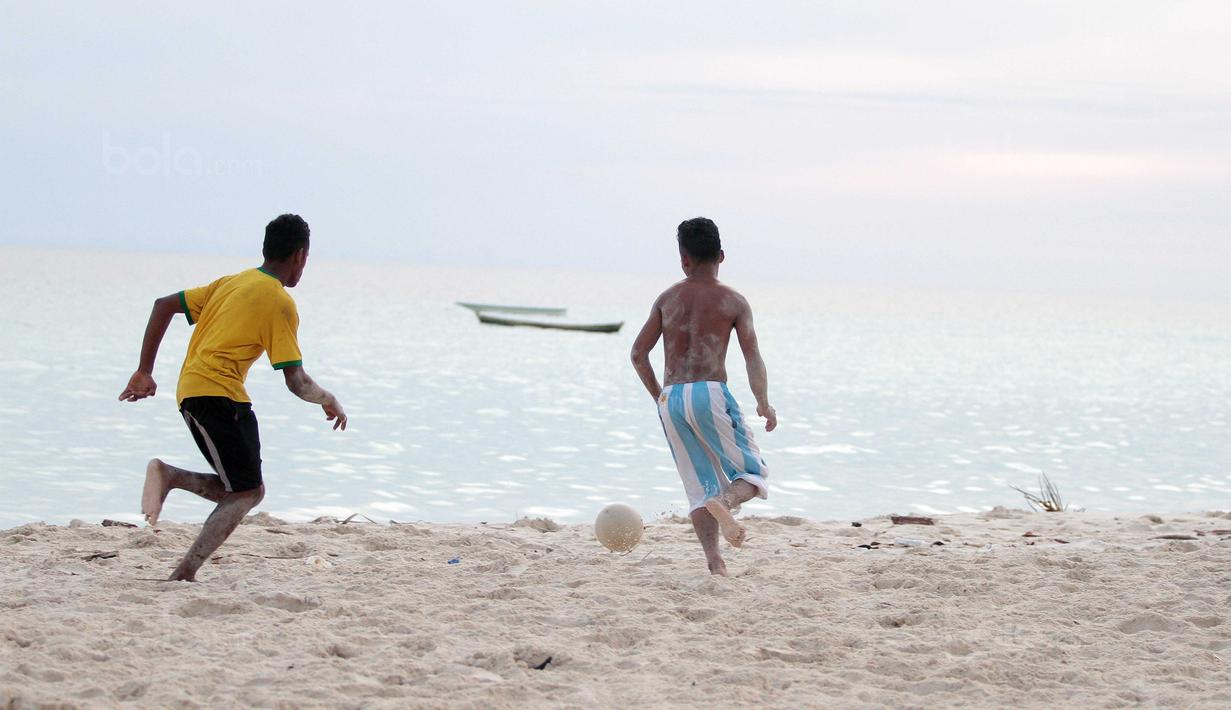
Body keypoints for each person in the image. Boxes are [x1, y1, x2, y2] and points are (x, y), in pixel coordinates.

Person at [118, 213, 347, 581]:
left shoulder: (231, 283)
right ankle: (184, 572)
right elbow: (296, 381)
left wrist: (144, 370)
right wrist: (327, 399)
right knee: (246, 492)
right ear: (300, 256)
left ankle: (171, 477)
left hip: (198, 392)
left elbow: (163, 305)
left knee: (246, 489)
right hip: (217, 395)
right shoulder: (278, 301)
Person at [630, 217, 777, 576]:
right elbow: (751, 355)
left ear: (684, 260)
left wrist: (660, 397)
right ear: (721, 256)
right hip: (709, 391)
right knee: (753, 473)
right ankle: (725, 501)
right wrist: (763, 402)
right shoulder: (733, 302)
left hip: (672, 396)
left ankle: (715, 562)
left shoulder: (666, 299)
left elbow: (638, 355)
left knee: (699, 487)